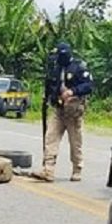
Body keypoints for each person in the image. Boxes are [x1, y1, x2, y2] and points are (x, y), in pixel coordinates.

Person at [35, 42, 93, 182]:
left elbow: (88, 85)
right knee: (51, 138)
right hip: (58, 110)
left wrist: (73, 91)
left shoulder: (79, 67)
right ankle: (48, 169)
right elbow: (50, 85)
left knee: (75, 142)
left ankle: (77, 169)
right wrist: (47, 97)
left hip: (73, 112)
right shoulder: (55, 69)